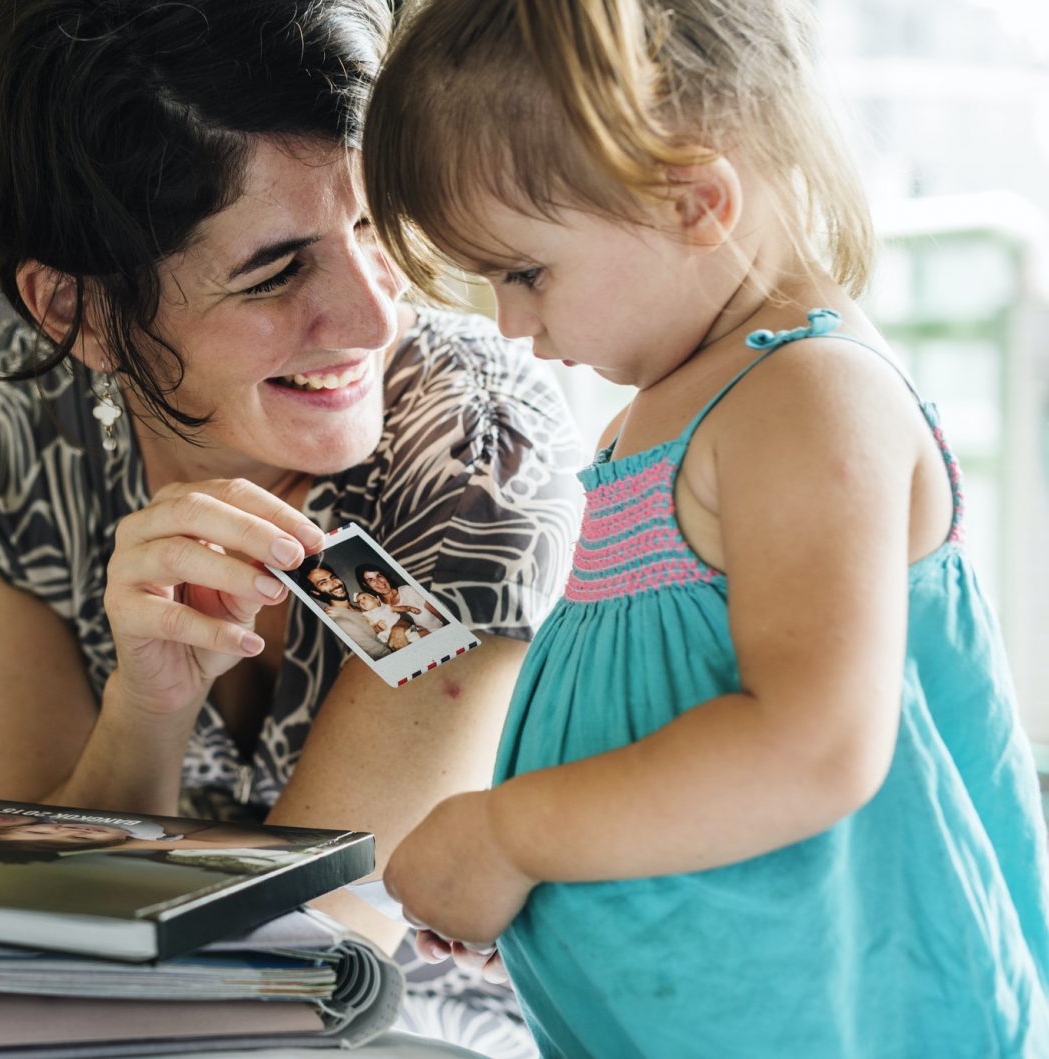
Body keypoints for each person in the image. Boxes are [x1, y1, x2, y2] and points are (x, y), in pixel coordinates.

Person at [364, 0, 1049, 1054]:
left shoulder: (806, 398)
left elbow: (812, 747)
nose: (510, 323)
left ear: (696, 201)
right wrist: (564, 891)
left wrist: (508, 836)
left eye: (525, 273)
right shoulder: (663, 412)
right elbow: (660, 728)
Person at [0, 0, 582, 1052]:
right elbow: (36, 908)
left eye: (372, 229)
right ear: (73, 311)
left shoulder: (471, 450)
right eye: (276, 270)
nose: (372, 317)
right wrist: (148, 707)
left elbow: (314, 944)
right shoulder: (1, 439)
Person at [299, 562, 394, 660]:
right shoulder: (340, 621)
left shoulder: (363, 605)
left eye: (333, 577)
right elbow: (382, 654)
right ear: (315, 592)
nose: (336, 584)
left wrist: (398, 628)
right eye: (323, 583)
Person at [352, 590, 425, 648]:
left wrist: (409, 608)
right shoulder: (366, 615)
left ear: (376, 600)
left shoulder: (386, 607)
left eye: (364, 598)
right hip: (389, 636)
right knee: (403, 644)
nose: (361, 602)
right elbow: (371, 628)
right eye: (359, 602)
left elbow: (399, 608)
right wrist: (377, 627)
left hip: (405, 628)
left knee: (417, 632)